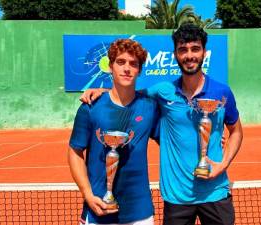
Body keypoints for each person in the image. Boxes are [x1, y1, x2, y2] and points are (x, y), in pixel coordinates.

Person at [81, 23, 243, 225]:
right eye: (183, 50)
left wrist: (223, 164)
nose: (189, 55)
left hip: (215, 193)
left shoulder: (222, 92)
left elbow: (236, 131)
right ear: (175, 54)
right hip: (177, 198)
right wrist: (104, 92)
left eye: (195, 49)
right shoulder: (163, 91)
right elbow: (129, 95)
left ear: (204, 52)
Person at [69, 39, 158, 225]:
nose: (127, 68)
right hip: (99, 209)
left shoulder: (150, 107)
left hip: (139, 212)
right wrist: (88, 195)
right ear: (110, 66)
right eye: (120, 62)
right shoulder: (90, 107)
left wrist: (211, 139)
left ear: (139, 70)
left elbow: (172, 138)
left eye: (133, 64)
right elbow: (75, 152)